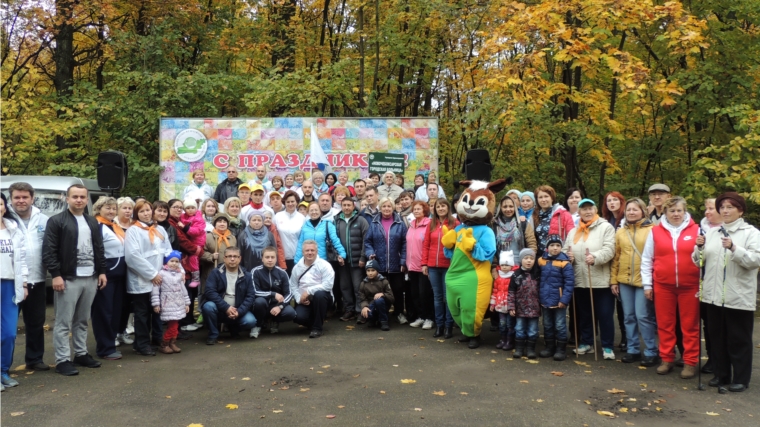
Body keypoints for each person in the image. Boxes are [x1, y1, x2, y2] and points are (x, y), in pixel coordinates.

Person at [694, 192, 760, 393]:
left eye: (730, 207)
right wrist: (698, 249)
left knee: (738, 339)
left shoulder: (751, 233)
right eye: (722, 207)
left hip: (737, 296)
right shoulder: (713, 232)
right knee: (717, 338)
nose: (725, 210)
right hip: (713, 297)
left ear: (740, 210)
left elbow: (755, 260)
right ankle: (721, 375)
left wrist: (734, 248)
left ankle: (740, 378)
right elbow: (699, 262)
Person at [42, 184, 107, 376]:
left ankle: (81, 353)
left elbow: (99, 248)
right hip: (68, 278)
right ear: (67, 199)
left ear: (87, 200)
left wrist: (102, 271)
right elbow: (49, 250)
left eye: (82, 197)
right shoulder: (56, 221)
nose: (79, 200)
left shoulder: (92, 222)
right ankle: (62, 359)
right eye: (75, 197)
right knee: (64, 322)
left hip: (90, 277)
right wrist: (56, 275)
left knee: (82, 320)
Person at [641, 196, 700, 378]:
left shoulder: (697, 230)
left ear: (685, 211)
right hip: (663, 285)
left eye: (679, 210)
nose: (676, 214)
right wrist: (647, 285)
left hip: (690, 286)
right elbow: (647, 259)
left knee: (690, 326)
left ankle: (690, 362)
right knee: (665, 325)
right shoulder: (656, 231)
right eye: (672, 211)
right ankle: (666, 358)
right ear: (665, 212)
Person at [562, 198, 616, 360]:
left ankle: (607, 346)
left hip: (600, 280)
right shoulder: (573, 232)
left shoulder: (605, 227)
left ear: (595, 210)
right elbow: (565, 250)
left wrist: (595, 257)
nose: (587, 211)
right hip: (580, 279)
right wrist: (568, 257)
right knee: (585, 314)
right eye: (583, 209)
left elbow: (610, 249)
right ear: (578, 212)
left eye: (590, 208)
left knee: (605, 314)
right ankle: (587, 342)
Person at [610, 198, 659, 367]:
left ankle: (651, 351)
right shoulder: (620, 232)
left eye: (635, 209)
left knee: (643, 316)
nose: (631, 212)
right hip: (624, 280)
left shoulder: (653, 230)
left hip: (643, 280)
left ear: (643, 211)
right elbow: (616, 257)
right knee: (628, 316)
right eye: (629, 209)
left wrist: (652, 282)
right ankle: (633, 349)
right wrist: (613, 280)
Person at [7, 182, 49, 371]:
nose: (21, 201)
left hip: (37, 279)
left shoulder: (44, 220)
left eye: (25, 197)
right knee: (7, 325)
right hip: (10, 280)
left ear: (32, 198)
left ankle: (34, 358)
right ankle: (4, 363)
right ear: (11, 199)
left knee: (36, 322)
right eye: (17, 197)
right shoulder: (5, 218)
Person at [124, 200, 172, 357]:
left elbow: (167, 251)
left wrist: (168, 271)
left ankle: (156, 338)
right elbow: (132, 256)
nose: (146, 213)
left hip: (159, 278)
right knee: (142, 313)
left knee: (156, 311)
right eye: (142, 211)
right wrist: (152, 274)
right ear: (136, 214)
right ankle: (141, 344)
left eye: (148, 210)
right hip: (142, 279)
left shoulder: (159, 230)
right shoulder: (133, 231)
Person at [91, 197, 127, 361]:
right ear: (99, 209)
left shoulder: (115, 226)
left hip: (120, 275)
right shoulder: (96, 226)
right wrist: (101, 271)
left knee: (116, 311)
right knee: (103, 312)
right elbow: (96, 251)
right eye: (108, 208)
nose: (111, 211)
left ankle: (110, 342)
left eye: (113, 208)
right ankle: (104, 348)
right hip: (106, 274)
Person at [364, 197, 408, 324]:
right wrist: (370, 253)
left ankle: (399, 313)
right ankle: (382, 315)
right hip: (380, 264)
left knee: (398, 290)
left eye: (389, 206)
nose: (387, 209)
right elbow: (368, 241)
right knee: (380, 292)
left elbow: (405, 243)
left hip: (396, 264)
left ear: (393, 207)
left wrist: (403, 260)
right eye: (384, 206)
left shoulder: (399, 222)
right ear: (380, 207)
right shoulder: (374, 222)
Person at [0, 193, 28, 389]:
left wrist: (24, 284)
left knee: (9, 333)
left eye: (0, 204)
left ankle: (3, 371)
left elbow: (22, 260)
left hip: (10, 285)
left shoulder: (13, 229)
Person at [202, 246, 257, 345]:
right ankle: (213, 334)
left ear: (240, 258)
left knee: (251, 321)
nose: (232, 259)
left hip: (238, 310)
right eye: (229, 256)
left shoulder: (247, 275)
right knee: (208, 307)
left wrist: (239, 312)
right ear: (224, 258)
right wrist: (226, 308)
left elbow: (250, 296)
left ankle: (234, 328)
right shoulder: (216, 273)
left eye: (235, 256)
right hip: (220, 310)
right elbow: (210, 292)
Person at [422, 198, 459, 339]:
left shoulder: (455, 224)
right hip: (432, 266)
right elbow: (426, 245)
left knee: (447, 297)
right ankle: (440, 325)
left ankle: (449, 326)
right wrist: (424, 264)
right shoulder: (431, 224)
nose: (441, 208)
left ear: (448, 208)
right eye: (438, 206)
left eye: (443, 206)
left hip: (448, 266)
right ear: (435, 209)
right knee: (437, 297)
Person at [537, 235, 574, 361]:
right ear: (547, 247)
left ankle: (561, 349)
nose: (555, 248)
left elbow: (569, 283)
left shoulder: (565, 263)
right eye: (552, 245)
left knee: (560, 324)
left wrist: (564, 299)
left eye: (558, 245)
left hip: (559, 300)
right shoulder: (541, 261)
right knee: (547, 324)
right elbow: (538, 279)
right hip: (545, 299)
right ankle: (549, 347)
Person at [290, 240, 336, 338]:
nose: (310, 253)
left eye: (312, 250)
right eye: (307, 250)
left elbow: (328, 285)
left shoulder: (325, 265)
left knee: (320, 295)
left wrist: (309, 291)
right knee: (298, 318)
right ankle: (314, 321)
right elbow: (293, 285)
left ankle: (317, 328)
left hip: (323, 299)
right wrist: (299, 299)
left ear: (316, 251)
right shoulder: (297, 267)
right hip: (304, 300)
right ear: (303, 252)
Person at [334, 198, 369, 322]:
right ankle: (349, 310)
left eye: (349, 205)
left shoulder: (361, 220)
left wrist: (362, 257)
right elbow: (333, 240)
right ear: (341, 206)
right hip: (343, 261)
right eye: (344, 205)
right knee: (345, 287)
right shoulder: (337, 221)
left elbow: (366, 240)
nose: (347, 207)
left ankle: (360, 311)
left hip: (357, 261)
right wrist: (338, 255)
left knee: (358, 287)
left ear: (354, 206)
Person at [251, 247, 296, 338]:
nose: (270, 260)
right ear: (262, 258)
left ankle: (274, 321)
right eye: (267, 257)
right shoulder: (255, 271)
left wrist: (280, 306)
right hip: (261, 304)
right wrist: (273, 294)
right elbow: (254, 291)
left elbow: (289, 293)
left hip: (276, 305)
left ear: (276, 258)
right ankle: (258, 325)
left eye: (272, 257)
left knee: (291, 313)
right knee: (259, 302)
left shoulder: (282, 273)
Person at [697, 198, 721, 374]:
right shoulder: (701, 230)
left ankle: (724, 361)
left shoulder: (728, 231)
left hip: (722, 284)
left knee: (723, 325)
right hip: (703, 283)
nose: (707, 212)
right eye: (706, 209)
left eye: (711, 208)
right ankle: (712, 359)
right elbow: (697, 259)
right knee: (709, 324)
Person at [601, 191, 627, 350]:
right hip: (610, 264)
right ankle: (624, 337)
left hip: (623, 263)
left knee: (625, 304)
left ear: (621, 201)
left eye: (615, 200)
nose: (612, 203)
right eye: (609, 200)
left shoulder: (625, 219)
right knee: (618, 302)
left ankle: (627, 337)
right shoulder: (606, 220)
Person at [152, 251, 190, 354]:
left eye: (177, 261)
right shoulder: (161, 274)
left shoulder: (179, 274)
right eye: (171, 261)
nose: (174, 263)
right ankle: (164, 344)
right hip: (167, 302)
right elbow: (155, 290)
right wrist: (156, 304)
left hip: (178, 302)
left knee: (175, 324)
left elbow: (183, 290)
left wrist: (187, 303)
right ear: (166, 262)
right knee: (173, 325)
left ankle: (172, 342)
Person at [200, 213, 237, 317]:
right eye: (219, 221)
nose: (222, 223)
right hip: (212, 270)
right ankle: (208, 318)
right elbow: (200, 253)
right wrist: (211, 256)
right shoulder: (208, 236)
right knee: (211, 295)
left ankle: (226, 320)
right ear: (214, 224)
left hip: (228, 272)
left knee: (225, 295)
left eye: (224, 222)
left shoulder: (232, 238)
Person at [405, 201, 434, 330]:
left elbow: (429, 245)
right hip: (411, 266)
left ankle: (429, 318)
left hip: (423, 266)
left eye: (419, 209)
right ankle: (421, 316)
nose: (416, 211)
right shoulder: (411, 225)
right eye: (414, 209)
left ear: (425, 211)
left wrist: (426, 263)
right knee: (415, 293)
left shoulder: (429, 224)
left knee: (425, 293)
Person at [508, 248, 541, 359]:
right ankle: (519, 349)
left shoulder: (537, 274)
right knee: (520, 329)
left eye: (531, 258)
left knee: (532, 330)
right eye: (526, 258)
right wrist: (511, 307)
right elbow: (511, 292)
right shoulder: (516, 275)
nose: (528, 261)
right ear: (521, 260)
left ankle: (530, 349)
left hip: (534, 308)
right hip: (520, 308)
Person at [492, 194, 537, 268]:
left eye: (511, 206)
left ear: (515, 207)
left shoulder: (522, 223)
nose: (508, 209)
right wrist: (494, 266)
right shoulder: (495, 225)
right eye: (505, 207)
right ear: (500, 208)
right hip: (501, 266)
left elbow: (531, 243)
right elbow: (492, 247)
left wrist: (530, 259)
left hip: (520, 265)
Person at [533, 185, 575, 257]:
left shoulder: (563, 214)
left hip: (557, 255)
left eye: (546, 196)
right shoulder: (535, 215)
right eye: (540, 197)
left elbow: (571, 236)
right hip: (540, 256)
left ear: (552, 198)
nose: (543, 200)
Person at [359, 260, 394, 331]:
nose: (370, 273)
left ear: (377, 271)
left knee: (379, 300)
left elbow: (392, 298)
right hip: (371, 304)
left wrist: (383, 294)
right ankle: (372, 320)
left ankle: (384, 321)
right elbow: (363, 299)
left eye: (373, 270)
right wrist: (365, 307)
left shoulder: (384, 281)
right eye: (368, 271)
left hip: (382, 304)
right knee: (366, 313)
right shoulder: (363, 284)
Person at [275, 191, 305, 274]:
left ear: (297, 202)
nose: (290, 204)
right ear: (284, 202)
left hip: (297, 257)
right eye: (288, 202)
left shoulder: (301, 218)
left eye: (292, 201)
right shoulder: (278, 216)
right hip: (281, 257)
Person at [491, 251, 516, 351]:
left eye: (507, 265)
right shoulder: (498, 278)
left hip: (509, 306)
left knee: (510, 324)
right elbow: (495, 291)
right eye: (502, 265)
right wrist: (492, 304)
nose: (504, 267)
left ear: (511, 266)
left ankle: (510, 341)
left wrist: (514, 306)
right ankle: (503, 339)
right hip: (500, 306)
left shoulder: (513, 277)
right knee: (502, 324)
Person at [180, 198, 207, 288]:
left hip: (198, 241)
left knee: (193, 257)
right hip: (190, 240)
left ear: (196, 209)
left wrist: (185, 227)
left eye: (192, 207)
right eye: (188, 208)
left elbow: (196, 231)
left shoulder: (199, 218)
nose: (190, 210)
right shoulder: (183, 217)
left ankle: (196, 278)